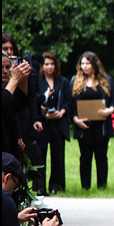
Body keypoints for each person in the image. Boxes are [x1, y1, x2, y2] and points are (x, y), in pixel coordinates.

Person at [69, 51, 114, 189]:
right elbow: (71, 105)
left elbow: (113, 101)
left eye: (87, 63)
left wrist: (109, 111)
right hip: (83, 126)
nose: (84, 66)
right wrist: (76, 120)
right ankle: (85, 186)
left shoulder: (106, 80)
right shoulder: (75, 81)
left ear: (94, 64)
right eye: (82, 63)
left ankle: (102, 185)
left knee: (101, 157)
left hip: (101, 125)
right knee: (85, 157)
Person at [35, 52, 71, 195]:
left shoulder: (63, 81)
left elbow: (69, 102)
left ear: (56, 66)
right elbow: (35, 101)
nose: (49, 67)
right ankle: (39, 187)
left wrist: (61, 112)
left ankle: (57, 185)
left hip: (59, 122)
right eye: (46, 64)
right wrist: (44, 114)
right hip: (43, 123)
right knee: (40, 155)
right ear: (42, 66)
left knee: (58, 154)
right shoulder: (37, 81)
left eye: (52, 64)